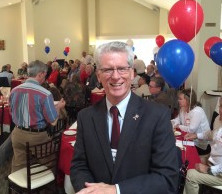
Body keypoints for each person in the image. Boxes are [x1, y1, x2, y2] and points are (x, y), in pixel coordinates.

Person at [70, 41, 178, 194]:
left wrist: (116, 190)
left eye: (122, 69)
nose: (115, 76)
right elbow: (79, 166)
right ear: (98, 75)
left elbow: (167, 179)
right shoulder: (85, 117)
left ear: (132, 73)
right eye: (107, 70)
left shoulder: (157, 116)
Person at [9, 60, 66, 172]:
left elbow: (11, 112)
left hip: (17, 134)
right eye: (45, 75)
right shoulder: (45, 94)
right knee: (51, 161)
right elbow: (53, 121)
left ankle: (18, 185)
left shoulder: (14, 90)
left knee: (19, 165)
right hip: (37, 137)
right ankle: (47, 186)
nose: (46, 77)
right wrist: (58, 107)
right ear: (40, 74)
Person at [172, 88, 211, 155]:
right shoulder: (183, 108)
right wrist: (171, 122)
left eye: (181, 99)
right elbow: (177, 119)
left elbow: (191, 129)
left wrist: (178, 125)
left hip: (200, 144)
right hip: (189, 138)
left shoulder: (197, 111)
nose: (178, 101)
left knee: (178, 151)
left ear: (188, 100)